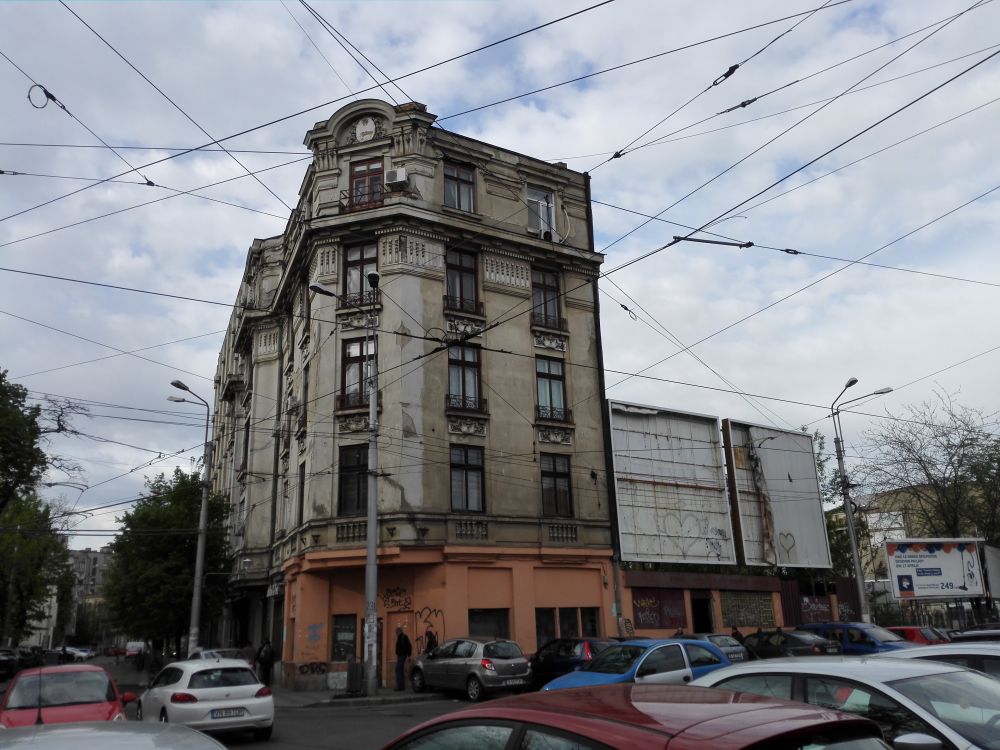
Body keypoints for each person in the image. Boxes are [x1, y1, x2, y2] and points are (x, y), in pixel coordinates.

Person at [394, 626, 412, 691]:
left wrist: (409, 655)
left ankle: (400, 686)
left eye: (396, 632)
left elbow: (409, 646)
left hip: (402, 655)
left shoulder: (403, 637)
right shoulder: (400, 637)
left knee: (399, 670)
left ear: (399, 631)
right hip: (400, 656)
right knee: (399, 670)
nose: (396, 633)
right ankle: (401, 686)